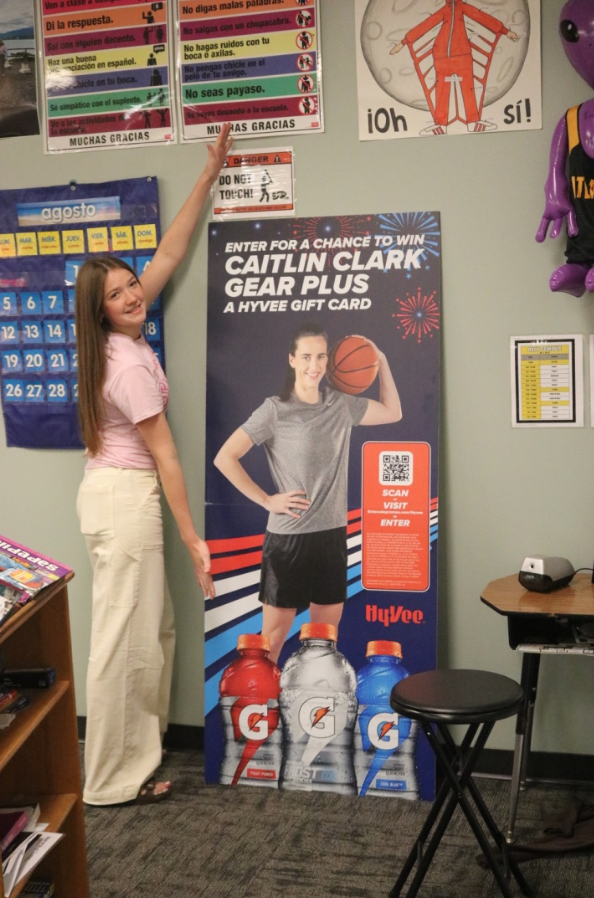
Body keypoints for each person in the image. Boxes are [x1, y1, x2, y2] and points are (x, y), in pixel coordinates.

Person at [75, 123, 232, 806]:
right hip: (126, 496)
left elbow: (168, 251)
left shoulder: (122, 341)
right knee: (126, 642)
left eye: (133, 284)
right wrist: (195, 538)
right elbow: (165, 454)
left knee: (148, 633)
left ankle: (131, 766)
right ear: (101, 313)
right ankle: (111, 781)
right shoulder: (128, 367)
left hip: (116, 496)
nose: (135, 294)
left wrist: (208, 173)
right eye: (119, 295)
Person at [214, 322, 402, 664]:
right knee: (271, 641)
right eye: (305, 357)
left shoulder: (342, 405)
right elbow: (225, 457)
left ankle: (310, 715)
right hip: (288, 540)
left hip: (330, 537)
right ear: (292, 360)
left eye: (320, 357)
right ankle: (264, 713)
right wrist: (266, 500)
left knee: (324, 646)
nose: (313, 365)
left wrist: (382, 362)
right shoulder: (274, 409)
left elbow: (393, 412)